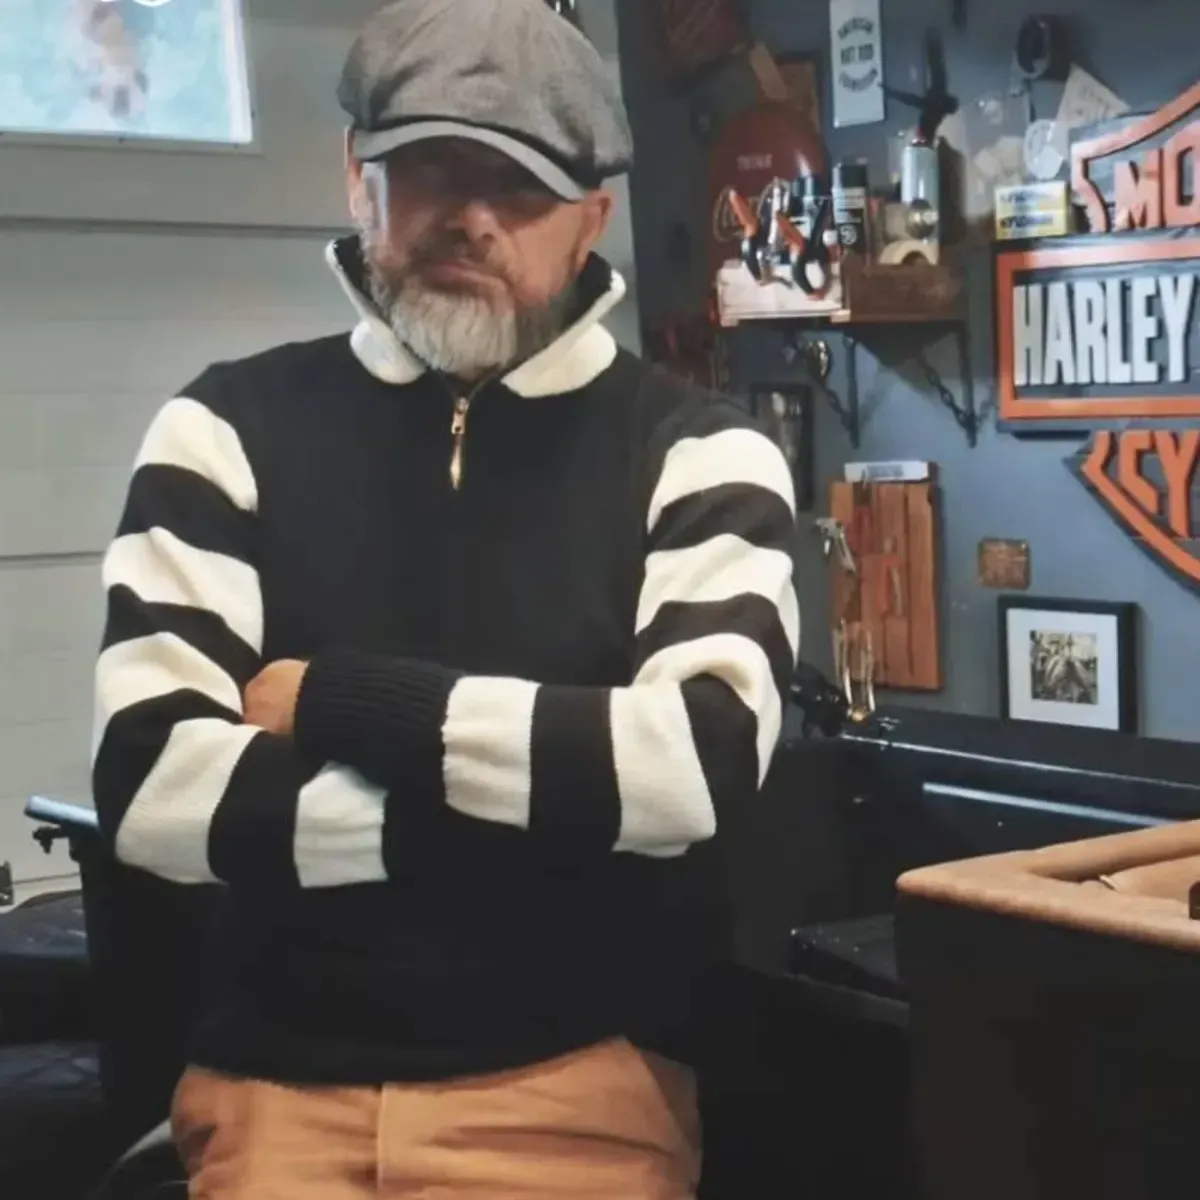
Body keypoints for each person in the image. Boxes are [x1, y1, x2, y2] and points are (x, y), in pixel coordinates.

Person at [91, 0, 801, 1195]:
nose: (472, 215)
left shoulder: (700, 455)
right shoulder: (220, 431)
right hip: (273, 1103)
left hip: (574, 1100)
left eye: (519, 183)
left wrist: (335, 700)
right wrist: (563, 811)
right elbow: (151, 785)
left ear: (592, 218)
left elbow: (691, 766)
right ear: (357, 178)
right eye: (430, 167)